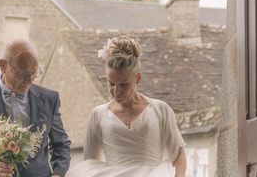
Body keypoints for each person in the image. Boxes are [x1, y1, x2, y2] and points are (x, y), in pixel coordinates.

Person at [66, 36, 186, 177]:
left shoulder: (160, 110)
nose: (116, 91)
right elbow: (91, 162)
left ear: (138, 78)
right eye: (111, 83)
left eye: (124, 84)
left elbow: (179, 156)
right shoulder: (98, 114)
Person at [0, 39, 71, 177]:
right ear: (3, 65)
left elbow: (61, 145)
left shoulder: (49, 99)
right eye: (23, 74)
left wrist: (58, 173)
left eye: (34, 73)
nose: (29, 80)